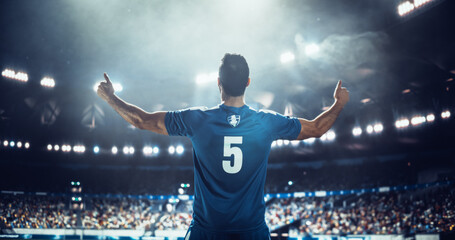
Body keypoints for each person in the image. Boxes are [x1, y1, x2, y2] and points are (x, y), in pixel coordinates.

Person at [97, 53, 349, 240]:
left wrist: (110, 97)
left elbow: (142, 120)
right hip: (252, 233)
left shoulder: (197, 119)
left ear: (218, 82)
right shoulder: (266, 123)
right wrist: (338, 103)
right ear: (248, 82)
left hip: (207, 232)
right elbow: (317, 128)